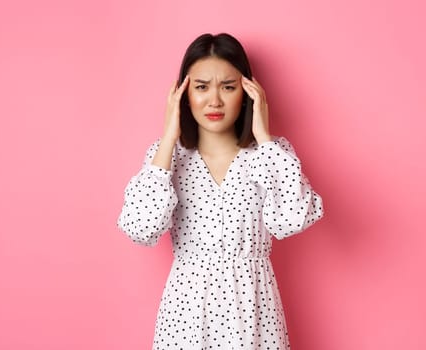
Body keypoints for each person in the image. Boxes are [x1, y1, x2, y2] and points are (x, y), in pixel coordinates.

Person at [116, 33, 325, 349]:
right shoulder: (167, 159)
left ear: (247, 92)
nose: (214, 101)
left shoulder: (269, 155)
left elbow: (291, 220)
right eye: (201, 87)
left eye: (228, 87)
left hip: (255, 312)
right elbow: (140, 228)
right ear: (184, 94)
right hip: (184, 317)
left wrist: (264, 136)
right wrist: (168, 138)